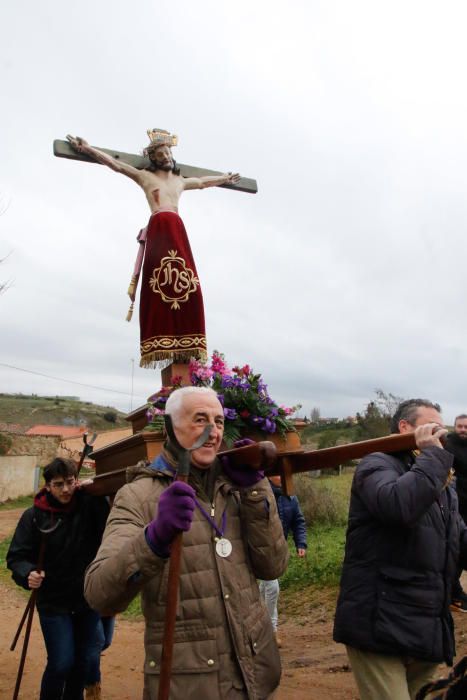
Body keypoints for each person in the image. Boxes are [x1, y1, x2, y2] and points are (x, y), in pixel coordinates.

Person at [84, 386, 289, 699]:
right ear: (170, 426)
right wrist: (154, 538)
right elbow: (100, 594)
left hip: (256, 675)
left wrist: (255, 491)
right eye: (200, 420)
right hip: (189, 682)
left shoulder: (238, 487)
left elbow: (272, 566)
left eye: (219, 422)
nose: (213, 432)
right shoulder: (138, 496)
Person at [66, 131, 240, 368]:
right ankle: (161, 335)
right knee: (159, 284)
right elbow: (116, 165)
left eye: (168, 152)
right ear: (154, 159)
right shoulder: (145, 177)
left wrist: (224, 178)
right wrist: (88, 149)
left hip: (177, 230)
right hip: (159, 228)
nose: (166, 156)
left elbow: (201, 183)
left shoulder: (179, 181)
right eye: (161, 154)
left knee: (189, 285)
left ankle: (186, 340)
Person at [333, 398, 467, 700]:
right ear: (405, 428)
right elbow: (398, 506)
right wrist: (433, 458)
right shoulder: (376, 464)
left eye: (442, 430)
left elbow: (458, 539)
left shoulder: (440, 481)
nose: (441, 437)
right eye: (432, 428)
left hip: (424, 627)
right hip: (379, 623)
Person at [7, 458, 110, 700]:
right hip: (53, 602)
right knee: (62, 662)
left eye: (70, 482)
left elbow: (111, 523)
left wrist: (98, 490)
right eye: (58, 484)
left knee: (82, 663)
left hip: (87, 599)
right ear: (47, 486)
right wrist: (27, 573)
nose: (66, 489)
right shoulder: (33, 516)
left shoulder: (89, 506)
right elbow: (16, 556)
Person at [259, 475, 307, 647]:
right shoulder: (260, 492)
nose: (279, 476)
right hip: (260, 548)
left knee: (266, 587)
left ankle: (262, 627)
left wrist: (300, 543)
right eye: (275, 472)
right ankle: (270, 630)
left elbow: (298, 521)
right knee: (272, 587)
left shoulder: (291, 497)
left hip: (278, 549)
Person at [445, 414, 467, 612]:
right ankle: (452, 592)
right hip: (455, 508)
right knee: (456, 551)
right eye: (459, 426)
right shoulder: (447, 445)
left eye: (466, 427)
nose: (463, 430)